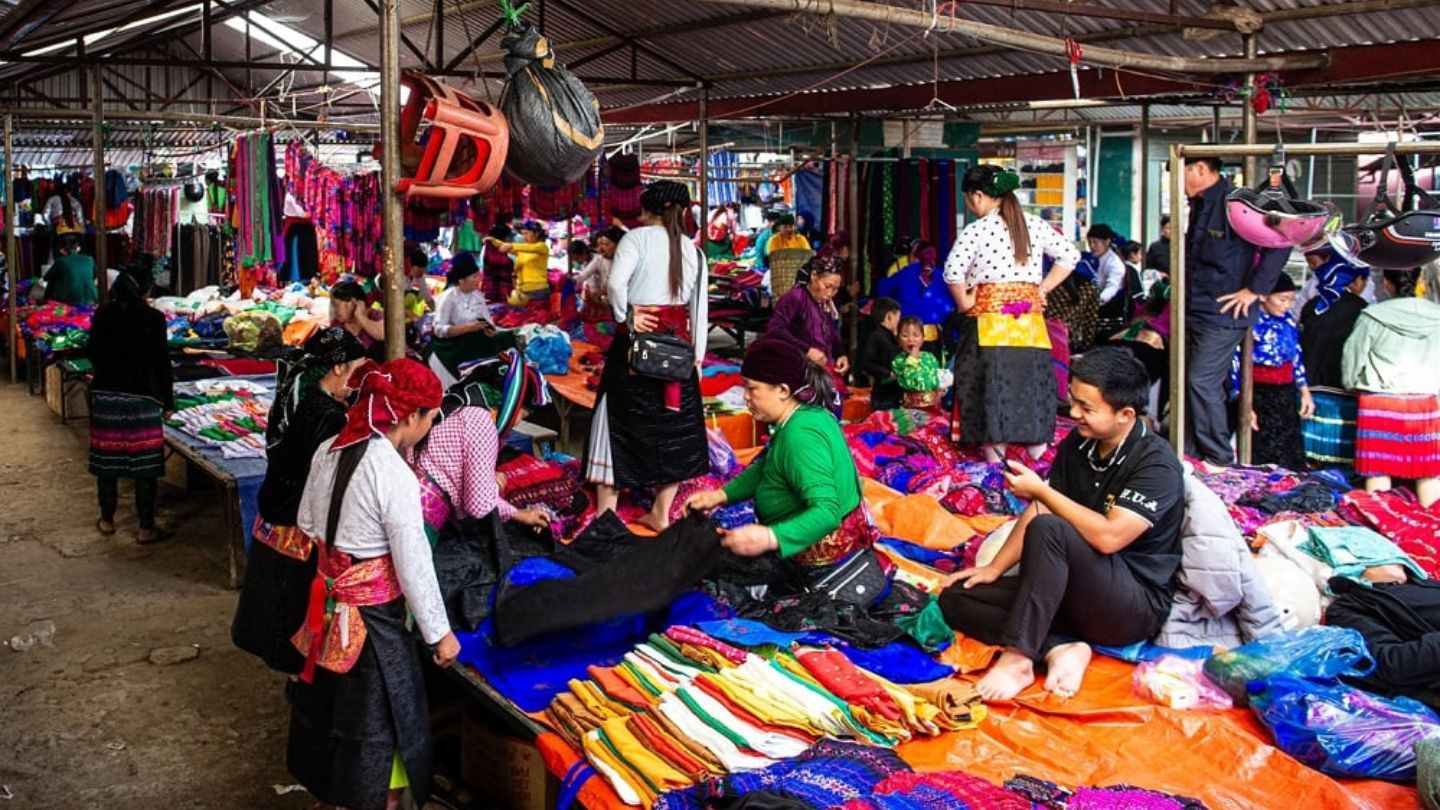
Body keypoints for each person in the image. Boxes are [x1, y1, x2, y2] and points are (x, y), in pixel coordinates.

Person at [938, 348, 1184, 701]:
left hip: (1129, 604)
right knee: (956, 599)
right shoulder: (1080, 445)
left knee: (1051, 530)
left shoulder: (1156, 464)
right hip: (1071, 592)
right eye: (1074, 402)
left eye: (1087, 408)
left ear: (1125, 415)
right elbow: (1040, 507)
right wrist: (994, 568)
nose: (1074, 414)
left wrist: (1041, 491)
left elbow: (1110, 537)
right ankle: (1058, 647)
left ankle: (1019, 658)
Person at [287, 358, 456, 810]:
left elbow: (305, 521)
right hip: (371, 624)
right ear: (409, 417)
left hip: (323, 612)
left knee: (329, 711)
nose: (431, 425)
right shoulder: (393, 473)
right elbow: (413, 563)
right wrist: (440, 634)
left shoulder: (327, 450)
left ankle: (330, 794)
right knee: (378, 724)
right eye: (430, 416)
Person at [232, 328, 367, 674]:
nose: (352, 381)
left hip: (273, 510)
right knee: (289, 606)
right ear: (337, 368)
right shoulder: (326, 415)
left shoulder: (298, 392)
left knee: (271, 598)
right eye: (353, 370)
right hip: (294, 522)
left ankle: (283, 662)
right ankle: (295, 672)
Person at [584, 180, 710, 532]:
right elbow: (700, 310)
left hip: (635, 348)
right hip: (678, 352)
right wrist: (697, 358)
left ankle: (606, 514)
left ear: (646, 209)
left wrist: (627, 316)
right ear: (682, 212)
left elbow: (614, 286)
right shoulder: (694, 251)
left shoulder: (635, 239)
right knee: (675, 427)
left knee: (614, 421)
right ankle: (660, 511)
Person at [685, 339, 869, 570]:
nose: (745, 397)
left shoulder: (801, 436)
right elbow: (769, 468)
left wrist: (770, 537)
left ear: (783, 390)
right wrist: (719, 496)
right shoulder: (802, 416)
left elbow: (827, 513)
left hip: (819, 558)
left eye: (752, 388)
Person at [943, 164, 1080, 463]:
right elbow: (1070, 256)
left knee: (994, 393)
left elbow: (952, 271)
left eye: (968, 199)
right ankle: (1039, 464)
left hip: (989, 325)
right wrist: (1042, 289)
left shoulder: (977, 230)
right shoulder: (1035, 224)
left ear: (978, 196)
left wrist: (965, 303)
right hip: (1029, 324)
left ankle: (996, 469)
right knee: (1029, 391)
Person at [1181, 156, 1292, 464]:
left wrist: (1256, 290)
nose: (1179, 183)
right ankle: (1189, 454)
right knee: (1187, 382)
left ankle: (1218, 457)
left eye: (1182, 173)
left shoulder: (1238, 204)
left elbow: (1282, 240)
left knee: (1200, 381)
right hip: (1194, 308)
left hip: (1223, 313)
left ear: (1200, 168)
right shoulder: (1199, 204)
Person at [88, 263, 174, 544]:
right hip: (144, 399)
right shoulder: (154, 318)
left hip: (106, 397)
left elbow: (93, 353)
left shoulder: (103, 315)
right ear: (145, 289)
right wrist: (168, 401)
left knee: (107, 464)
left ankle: (107, 520)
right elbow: (162, 364)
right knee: (144, 466)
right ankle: (146, 528)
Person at [1342, 269, 1440, 508]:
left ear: (1386, 283)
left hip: (1380, 402)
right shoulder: (1437, 316)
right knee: (1428, 472)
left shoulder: (1373, 315)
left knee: (1378, 470)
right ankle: (1433, 532)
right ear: (1419, 280)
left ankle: (1380, 528)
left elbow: (1352, 356)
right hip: (1426, 402)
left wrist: (1351, 383)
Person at [1233, 274, 1314, 470]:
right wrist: (1244, 403)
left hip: (1285, 393)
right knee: (1262, 449)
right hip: (1258, 394)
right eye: (1282, 300)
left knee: (1289, 447)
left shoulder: (1289, 322)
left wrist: (1304, 391)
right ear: (1263, 297)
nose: (1287, 305)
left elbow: (1296, 357)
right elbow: (1235, 365)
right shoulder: (1248, 324)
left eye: (1291, 300)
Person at [1299, 257, 1369, 467]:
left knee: (1306, 458)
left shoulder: (1312, 306)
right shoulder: (1362, 310)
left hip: (1309, 392)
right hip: (1343, 393)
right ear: (1355, 281)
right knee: (1339, 460)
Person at [427, 253, 513, 381]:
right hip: (451, 347)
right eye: (474, 276)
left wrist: (489, 330)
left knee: (507, 338)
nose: (478, 280)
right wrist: (466, 328)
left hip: (471, 342)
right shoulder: (448, 297)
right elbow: (439, 329)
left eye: (478, 276)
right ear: (461, 280)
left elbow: (488, 321)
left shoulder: (477, 295)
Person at [765, 255, 849, 375]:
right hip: (796, 370)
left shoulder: (825, 303)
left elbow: (831, 333)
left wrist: (841, 354)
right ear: (814, 276)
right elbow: (774, 330)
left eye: (835, 289)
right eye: (827, 286)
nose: (830, 293)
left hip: (821, 372)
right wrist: (807, 351)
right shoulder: (795, 297)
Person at [874, 245, 954, 350]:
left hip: (907, 336)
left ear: (915, 257)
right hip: (935, 337)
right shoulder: (942, 275)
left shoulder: (906, 272)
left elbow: (882, 289)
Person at [486, 220, 550, 306]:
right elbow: (509, 247)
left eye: (526, 233)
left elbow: (530, 248)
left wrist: (511, 245)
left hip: (538, 291)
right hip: (522, 290)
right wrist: (494, 241)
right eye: (523, 234)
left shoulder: (542, 247)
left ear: (536, 234)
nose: (524, 237)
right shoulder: (522, 249)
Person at [893, 316, 950, 410]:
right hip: (911, 409)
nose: (911, 339)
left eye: (916, 335)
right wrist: (912, 359)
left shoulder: (930, 357)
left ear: (923, 339)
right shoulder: (898, 361)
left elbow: (938, 377)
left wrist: (942, 388)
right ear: (898, 340)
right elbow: (909, 382)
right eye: (905, 336)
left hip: (934, 406)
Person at [857, 297, 902, 410]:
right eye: (898, 318)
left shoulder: (889, 336)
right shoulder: (876, 336)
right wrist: (888, 373)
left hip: (893, 392)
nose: (898, 322)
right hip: (883, 395)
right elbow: (866, 363)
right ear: (889, 316)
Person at [329, 280, 387, 360]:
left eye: (336, 305)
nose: (334, 310)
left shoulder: (375, 315)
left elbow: (384, 335)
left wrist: (360, 317)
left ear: (352, 303)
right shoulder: (337, 325)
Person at [577, 227, 621, 321]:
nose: (600, 249)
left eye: (606, 244)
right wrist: (572, 280)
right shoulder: (600, 259)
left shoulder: (624, 261)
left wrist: (602, 293)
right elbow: (585, 274)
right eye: (599, 245)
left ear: (618, 245)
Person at [43, 234, 98, 306]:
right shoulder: (89, 259)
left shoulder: (60, 261)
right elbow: (95, 277)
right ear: (78, 248)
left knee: (53, 280)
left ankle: (48, 302)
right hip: (93, 298)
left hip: (68, 300)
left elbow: (46, 278)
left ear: (62, 250)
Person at [481, 224, 516, 304]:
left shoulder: (488, 249)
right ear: (503, 238)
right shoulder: (500, 255)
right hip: (499, 290)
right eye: (508, 237)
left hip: (491, 289)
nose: (510, 239)